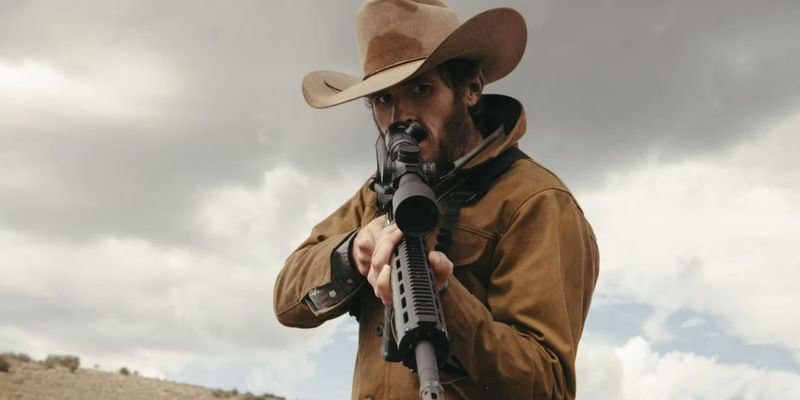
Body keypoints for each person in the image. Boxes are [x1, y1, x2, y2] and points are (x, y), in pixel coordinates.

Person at [273, 1, 599, 398]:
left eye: (420, 89)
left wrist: (443, 298)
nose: (399, 118)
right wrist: (351, 254)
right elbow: (287, 300)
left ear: (472, 89)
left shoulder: (536, 202)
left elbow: (547, 385)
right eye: (382, 99)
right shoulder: (377, 193)